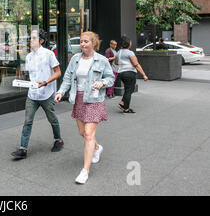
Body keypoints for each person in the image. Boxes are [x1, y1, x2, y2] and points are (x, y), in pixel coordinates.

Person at [54, 31, 115, 184]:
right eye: (81, 41)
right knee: (82, 132)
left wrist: (103, 83)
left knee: (88, 134)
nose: (82, 44)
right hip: (79, 98)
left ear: (93, 43)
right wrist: (61, 92)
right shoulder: (75, 59)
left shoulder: (101, 60)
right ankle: (97, 147)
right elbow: (68, 77)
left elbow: (110, 77)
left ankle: (85, 171)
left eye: (86, 41)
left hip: (94, 99)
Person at [11, 29, 64, 159]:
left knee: (52, 119)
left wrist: (46, 82)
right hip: (32, 94)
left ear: (41, 41)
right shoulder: (28, 57)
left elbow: (58, 73)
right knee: (28, 121)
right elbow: (31, 76)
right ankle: (23, 149)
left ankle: (58, 140)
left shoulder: (49, 54)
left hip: (47, 93)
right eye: (30, 38)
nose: (30, 40)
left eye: (33, 38)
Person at [115, 36, 148, 114]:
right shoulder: (130, 53)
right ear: (128, 44)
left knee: (128, 89)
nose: (131, 43)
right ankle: (126, 109)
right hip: (129, 73)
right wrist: (144, 75)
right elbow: (136, 64)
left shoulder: (118, 52)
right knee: (129, 90)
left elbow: (116, 63)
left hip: (121, 73)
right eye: (130, 42)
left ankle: (123, 102)